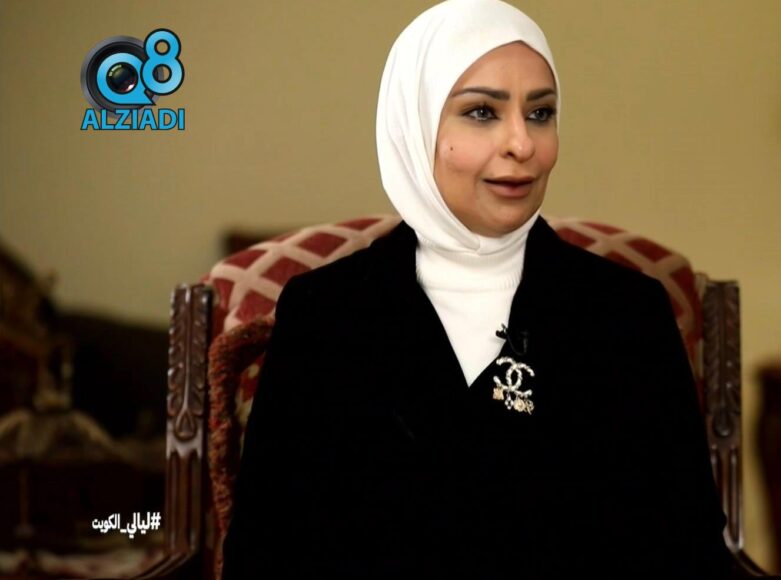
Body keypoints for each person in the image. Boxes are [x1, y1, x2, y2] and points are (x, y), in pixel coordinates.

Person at [221, 0, 733, 577]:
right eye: (483, 112)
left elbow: (689, 552)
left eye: (540, 113)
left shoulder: (627, 314)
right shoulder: (325, 314)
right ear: (416, 126)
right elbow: (264, 555)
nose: (522, 143)